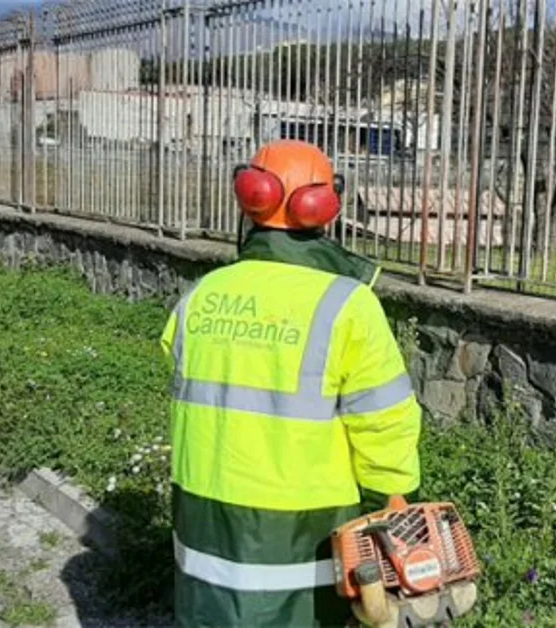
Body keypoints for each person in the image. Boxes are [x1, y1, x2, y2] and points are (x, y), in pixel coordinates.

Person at [159, 139, 423, 627]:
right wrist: (393, 492)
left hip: (205, 528)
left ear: (250, 193)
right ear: (324, 203)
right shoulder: (347, 304)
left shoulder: (203, 295)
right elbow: (382, 416)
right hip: (302, 533)